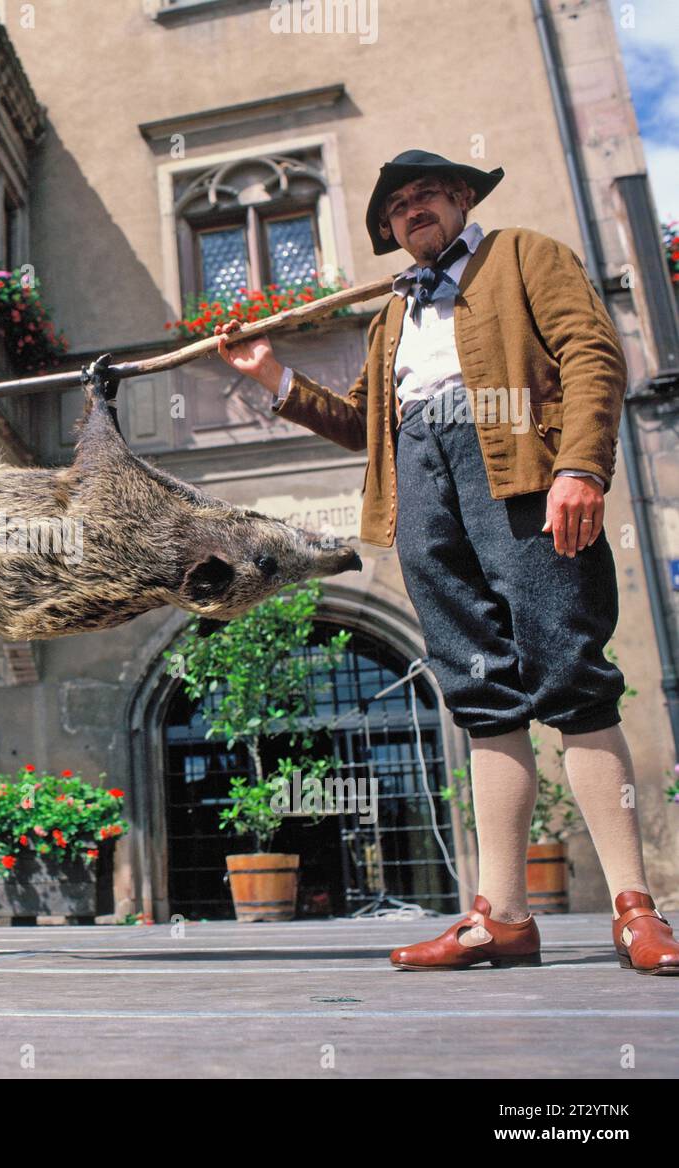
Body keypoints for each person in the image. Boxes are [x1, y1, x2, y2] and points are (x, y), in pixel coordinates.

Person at [214, 149, 678, 975]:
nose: (410, 209)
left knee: (570, 675)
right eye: (395, 206)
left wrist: (581, 466)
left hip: (523, 474)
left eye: (425, 194)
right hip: (422, 495)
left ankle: (635, 908)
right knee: (479, 693)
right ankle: (498, 918)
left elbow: (591, 355)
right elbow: (365, 426)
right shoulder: (389, 316)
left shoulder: (524, 254)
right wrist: (272, 376)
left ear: (462, 199)